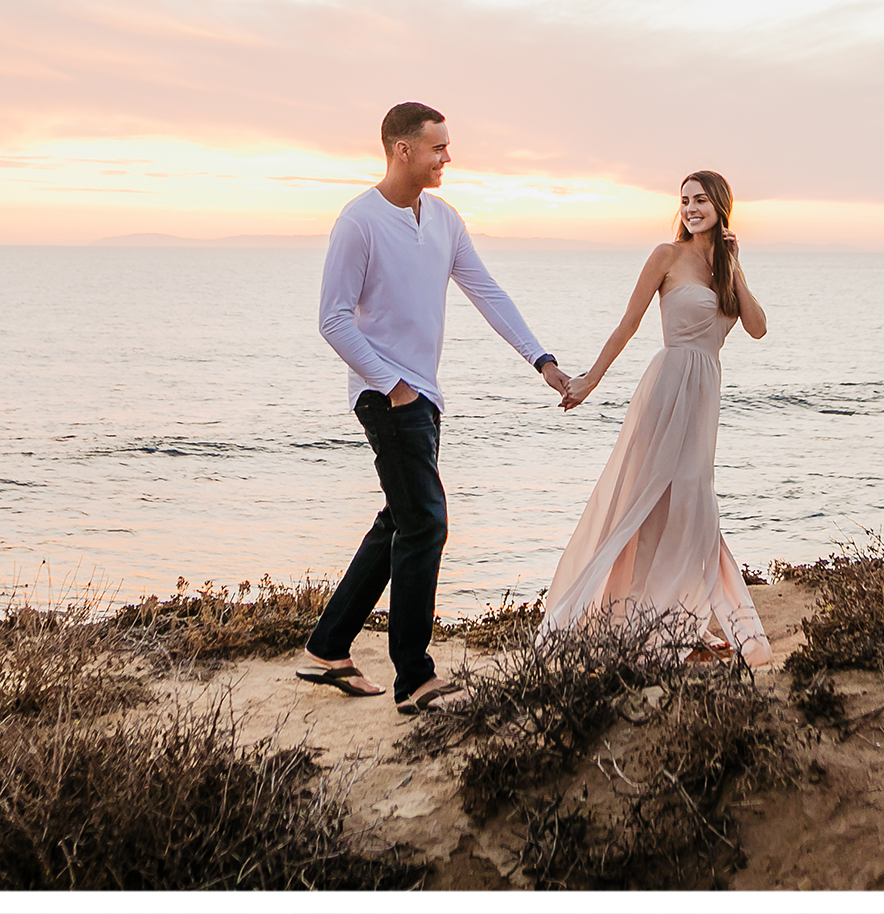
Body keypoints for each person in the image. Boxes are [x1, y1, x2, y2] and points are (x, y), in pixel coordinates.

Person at [296, 101, 573, 712]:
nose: (448, 156)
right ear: (403, 150)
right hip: (386, 397)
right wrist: (392, 383)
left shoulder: (444, 218)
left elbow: (486, 291)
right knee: (426, 522)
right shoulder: (358, 223)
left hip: (423, 395)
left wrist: (541, 361)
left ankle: (328, 646)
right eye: (438, 147)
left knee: (401, 520)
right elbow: (332, 320)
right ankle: (414, 679)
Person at [540, 170, 772, 666]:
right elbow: (628, 324)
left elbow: (756, 328)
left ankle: (677, 620)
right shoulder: (666, 257)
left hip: (705, 391)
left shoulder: (727, 266)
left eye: (701, 200)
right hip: (668, 387)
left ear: (722, 206)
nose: (690, 208)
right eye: (684, 200)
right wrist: (589, 381)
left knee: (692, 502)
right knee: (643, 502)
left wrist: (734, 264)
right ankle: (629, 617)